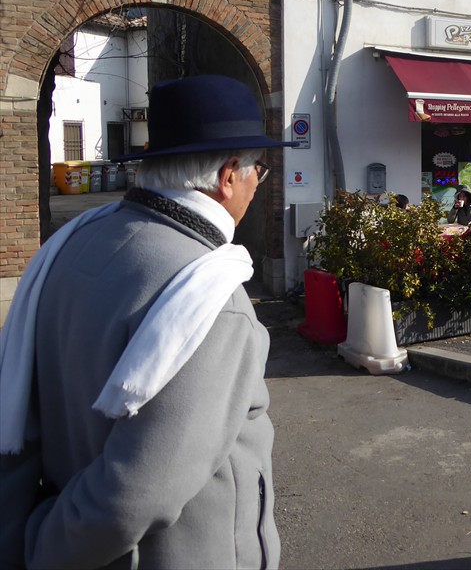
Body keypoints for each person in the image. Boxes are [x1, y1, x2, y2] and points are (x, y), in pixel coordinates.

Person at [0, 74, 298, 569]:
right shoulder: (207, 296)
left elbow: (19, 422)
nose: (255, 185)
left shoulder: (71, 245)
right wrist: (41, 552)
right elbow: (132, 497)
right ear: (229, 175)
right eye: (258, 171)